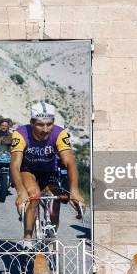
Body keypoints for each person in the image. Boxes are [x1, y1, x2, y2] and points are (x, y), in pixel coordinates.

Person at [10, 102, 85, 240]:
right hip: (28, 171)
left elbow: (70, 162)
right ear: (31, 122)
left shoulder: (60, 133)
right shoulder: (20, 134)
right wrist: (21, 192)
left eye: (49, 124)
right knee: (34, 196)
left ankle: (52, 239)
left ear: (54, 122)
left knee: (54, 204)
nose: (45, 129)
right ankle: (27, 238)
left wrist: (75, 191)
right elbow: (15, 165)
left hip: (49, 172)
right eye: (40, 124)